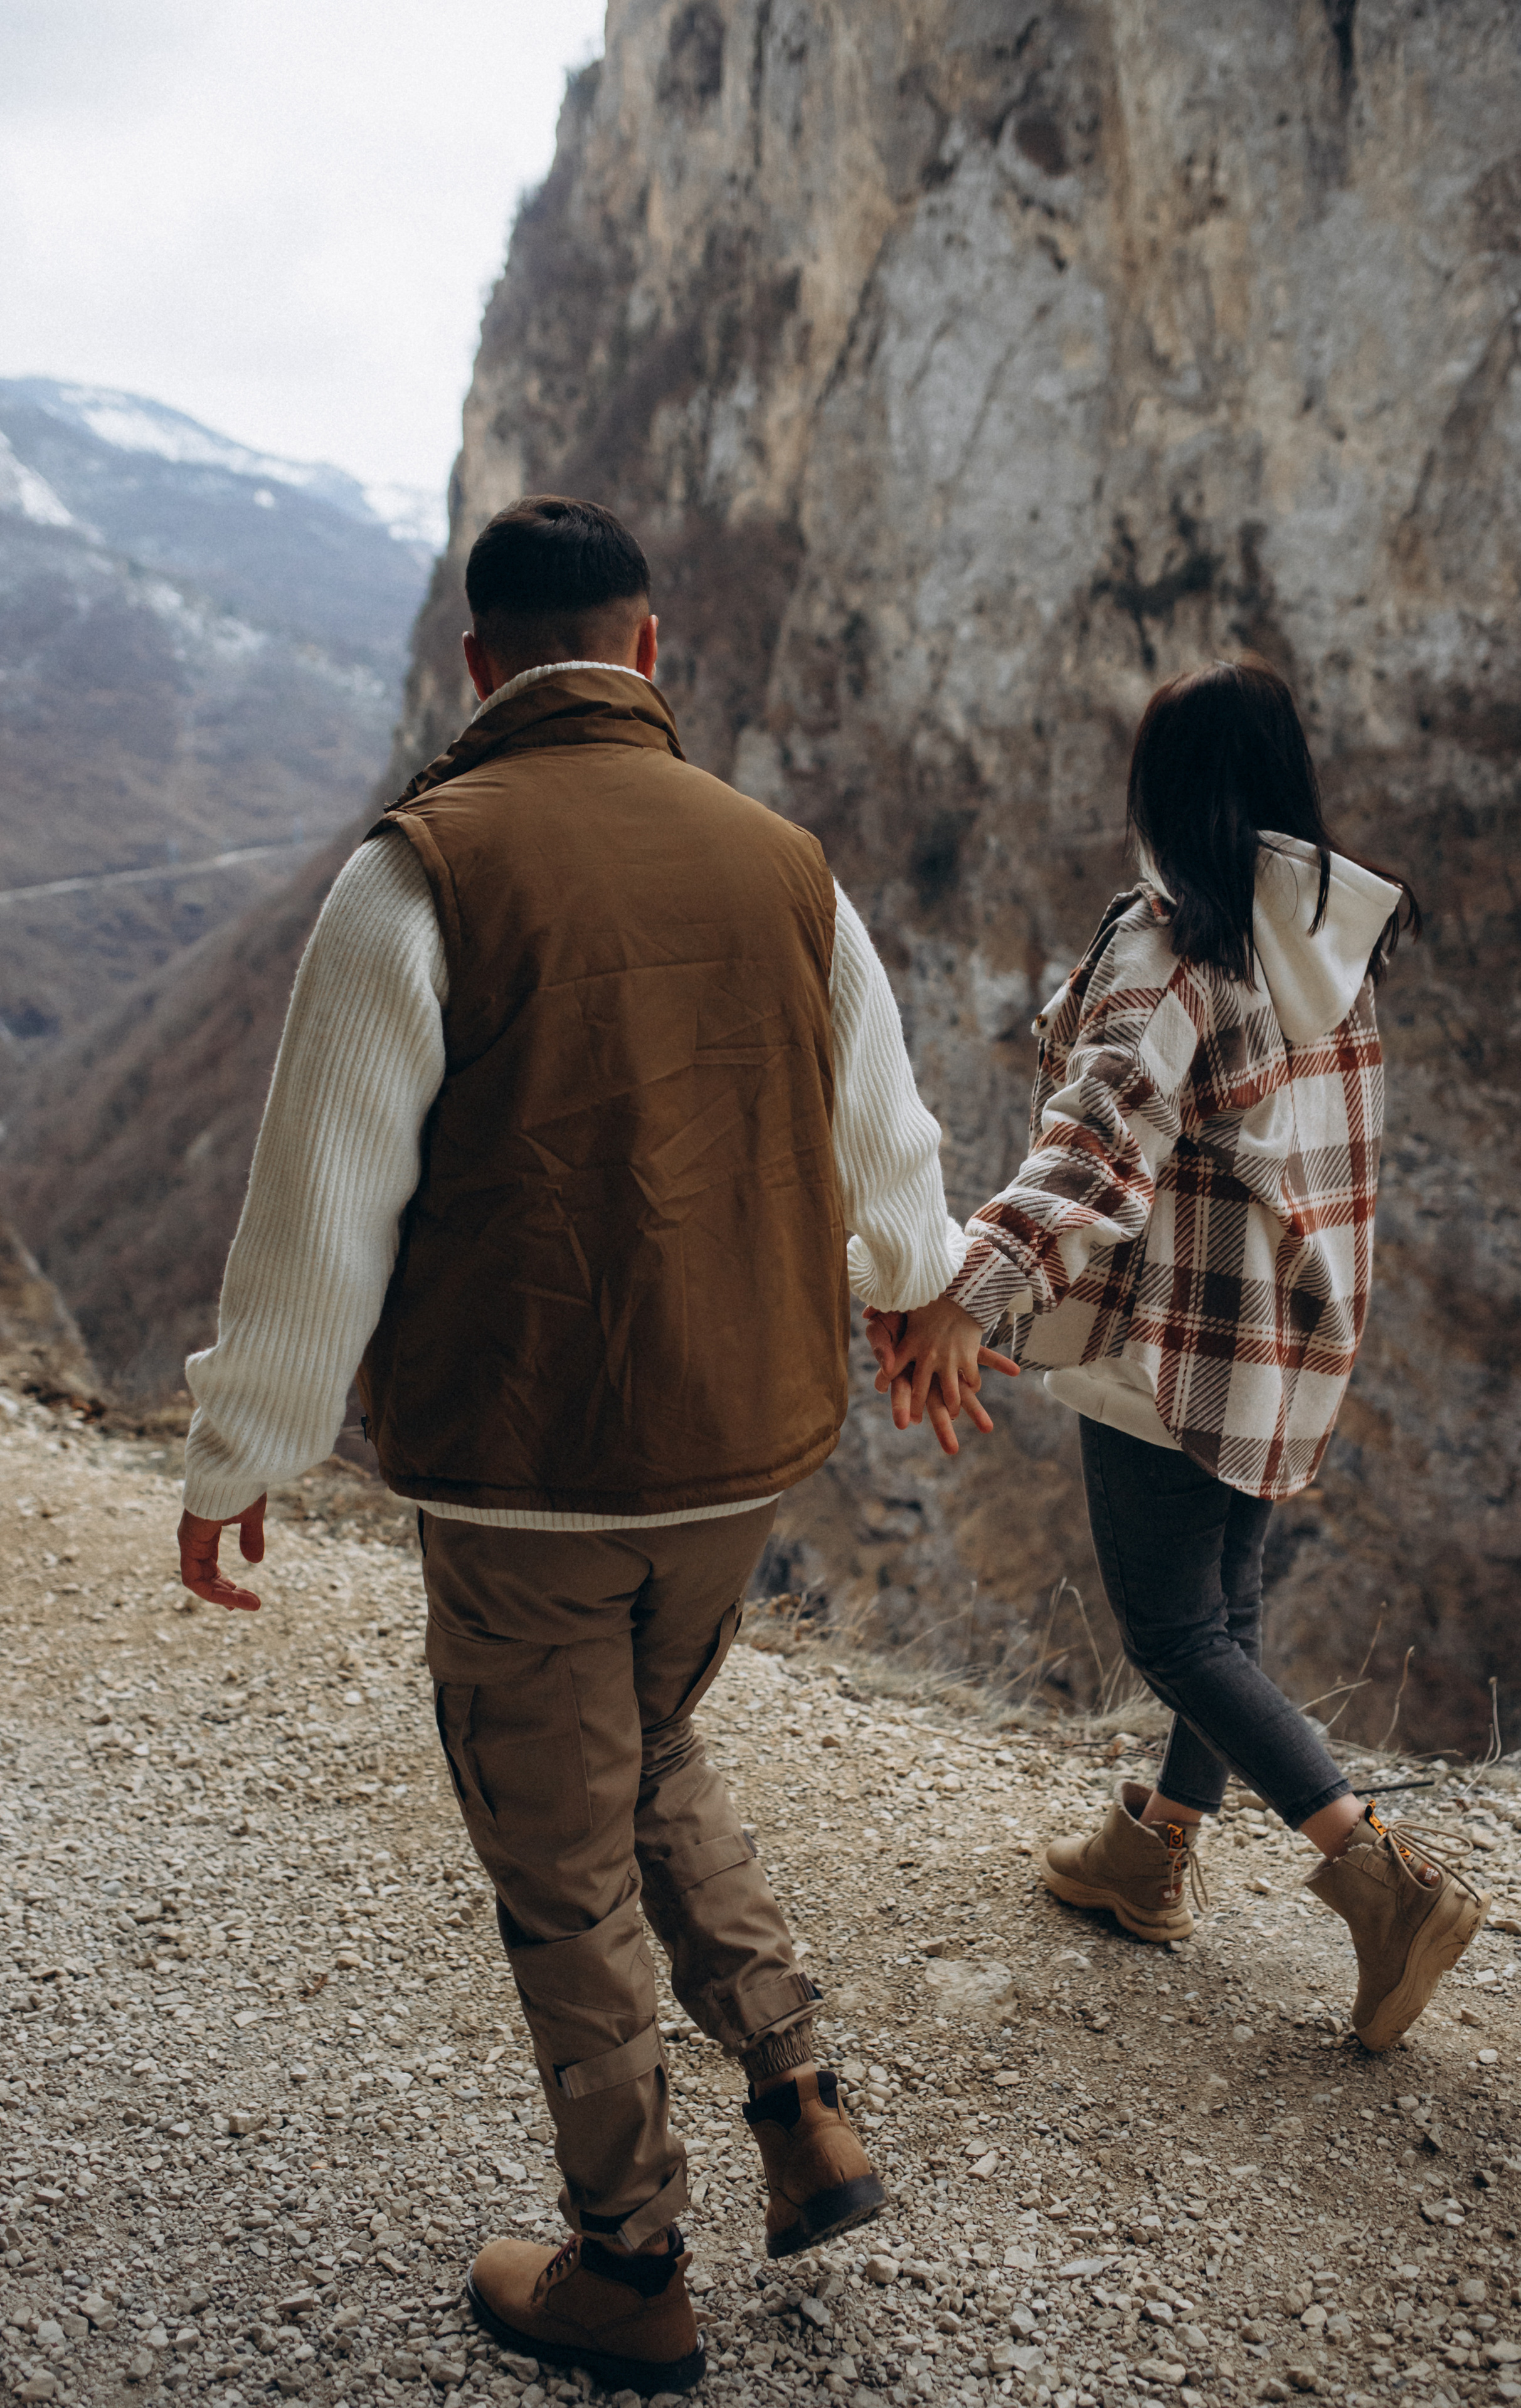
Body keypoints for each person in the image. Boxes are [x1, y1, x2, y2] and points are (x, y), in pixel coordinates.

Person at [174, 495, 1016, 2395]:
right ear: (649, 653)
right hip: (740, 1451)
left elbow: (319, 1214)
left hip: (529, 1467)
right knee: (650, 1752)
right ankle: (800, 2094)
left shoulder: (416, 880)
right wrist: (914, 1286)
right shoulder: (791, 868)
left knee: (556, 1860)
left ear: (480, 668)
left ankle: (630, 2267)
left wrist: (244, 1456)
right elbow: (888, 1153)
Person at [869, 656, 1491, 2054]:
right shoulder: (1329, 938)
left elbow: (1092, 1150)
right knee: (1229, 1617)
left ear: (1162, 793)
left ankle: (1381, 1883)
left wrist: (967, 1296)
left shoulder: (1171, 954)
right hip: (1294, 1341)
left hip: (1181, 1350)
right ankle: (1152, 1856)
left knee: (1171, 1633)